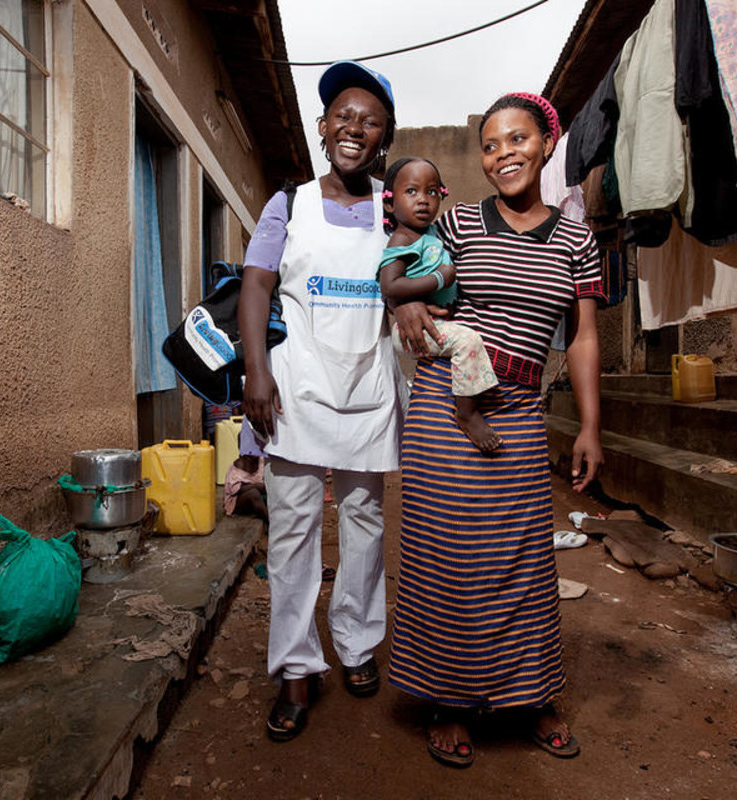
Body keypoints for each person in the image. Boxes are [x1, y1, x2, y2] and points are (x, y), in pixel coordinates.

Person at [387, 92, 606, 768]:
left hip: (520, 410)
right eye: (490, 144)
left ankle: (527, 695)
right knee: (447, 555)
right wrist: (409, 313)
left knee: (522, 560)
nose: (504, 153)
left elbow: (583, 338)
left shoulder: (577, 237)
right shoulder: (456, 224)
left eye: (517, 139)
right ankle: (449, 700)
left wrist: (591, 426)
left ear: (546, 143)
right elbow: (409, 280)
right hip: (445, 406)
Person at [238, 60, 404, 743]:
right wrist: (256, 374)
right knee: (295, 534)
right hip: (298, 391)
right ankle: (297, 667)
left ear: (383, 139)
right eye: (343, 115)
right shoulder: (289, 203)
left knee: (365, 526)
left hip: (369, 392)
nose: (353, 128)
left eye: (369, 121)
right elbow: (255, 286)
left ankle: (358, 644)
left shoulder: (396, 209)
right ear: (322, 126)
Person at [379, 157, 501, 453]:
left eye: (431, 192)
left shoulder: (430, 233)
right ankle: (467, 413)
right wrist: (438, 279)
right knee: (468, 341)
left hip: (434, 323)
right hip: (413, 329)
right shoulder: (401, 240)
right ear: (389, 204)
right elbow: (390, 285)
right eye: (411, 192)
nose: (423, 200)